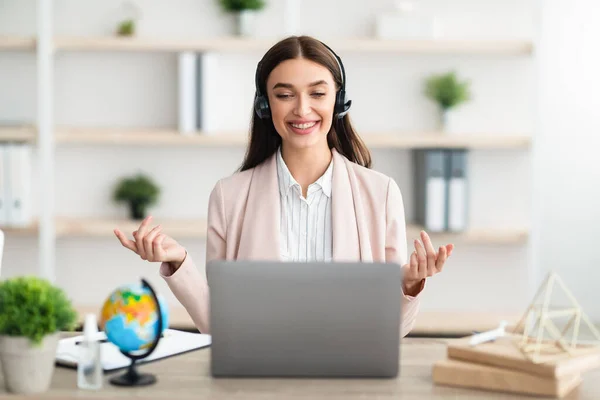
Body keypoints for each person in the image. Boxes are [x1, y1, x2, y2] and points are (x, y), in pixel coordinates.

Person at [114, 35, 454, 337]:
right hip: (258, 380)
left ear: (338, 99)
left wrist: (409, 285)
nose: (302, 109)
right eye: (284, 95)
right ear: (265, 104)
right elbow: (218, 324)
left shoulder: (380, 194)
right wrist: (179, 262)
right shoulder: (229, 197)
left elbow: (390, 331)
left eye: (318, 93)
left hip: (350, 380)